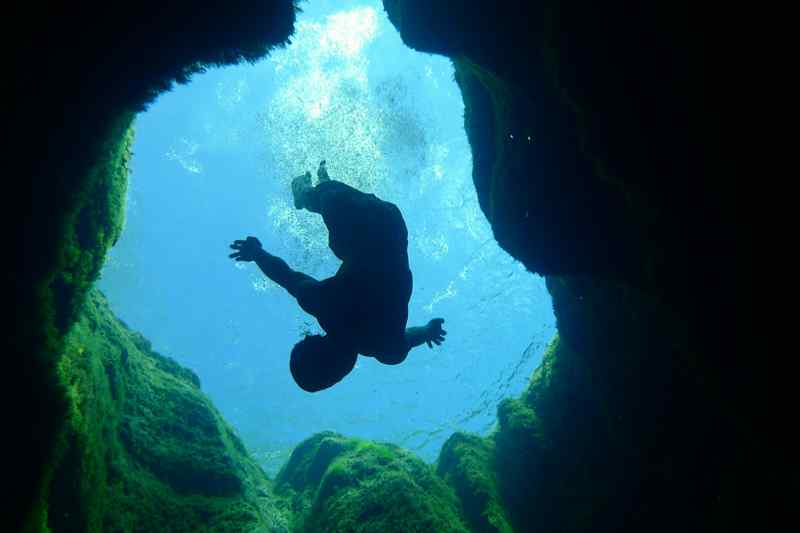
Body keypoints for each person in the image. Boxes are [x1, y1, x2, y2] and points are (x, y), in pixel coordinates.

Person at [229, 160, 446, 392]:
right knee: (333, 200)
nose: (342, 374)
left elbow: (287, 278)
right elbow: (287, 278)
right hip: (382, 226)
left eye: (335, 377)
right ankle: (314, 190)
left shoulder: (380, 345)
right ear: (313, 340)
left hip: (385, 229)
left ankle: (306, 193)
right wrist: (258, 254)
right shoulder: (379, 343)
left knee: (333, 203)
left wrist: (427, 330)